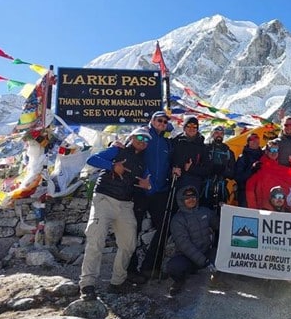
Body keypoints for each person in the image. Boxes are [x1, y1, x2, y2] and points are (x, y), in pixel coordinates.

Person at [79, 128, 152, 300]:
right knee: (96, 240)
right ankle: (87, 285)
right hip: (104, 199)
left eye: (146, 139)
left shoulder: (143, 162)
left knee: (129, 244)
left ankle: (117, 282)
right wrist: (112, 166)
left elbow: (148, 183)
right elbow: (92, 159)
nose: (142, 141)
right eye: (140, 137)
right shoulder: (117, 150)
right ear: (132, 137)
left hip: (126, 203)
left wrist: (148, 186)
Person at [128, 111, 174, 282]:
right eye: (159, 120)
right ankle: (130, 269)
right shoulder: (142, 135)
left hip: (160, 191)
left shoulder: (166, 142)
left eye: (164, 121)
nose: (162, 123)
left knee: (164, 227)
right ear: (152, 121)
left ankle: (150, 268)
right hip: (140, 190)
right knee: (133, 229)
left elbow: (168, 163)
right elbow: (129, 153)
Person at [164, 185, 219, 297]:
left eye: (193, 196)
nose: (191, 199)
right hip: (187, 257)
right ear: (181, 200)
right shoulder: (177, 220)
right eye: (187, 197)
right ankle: (180, 281)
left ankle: (215, 278)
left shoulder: (205, 212)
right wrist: (204, 261)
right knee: (174, 266)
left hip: (206, 252)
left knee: (221, 256)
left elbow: (219, 225)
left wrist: (224, 210)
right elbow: (184, 245)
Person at [171, 116, 210, 196]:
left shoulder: (202, 146)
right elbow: (168, 160)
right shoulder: (175, 142)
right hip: (175, 181)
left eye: (194, 127)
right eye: (188, 126)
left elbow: (207, 169)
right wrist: (172, 169)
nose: (191, 129)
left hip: (194, 183)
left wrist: (192, 169)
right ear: (184, 128)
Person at [202, 125, 235, 210]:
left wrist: (223, 171)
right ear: (212, 134)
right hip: (205, 187)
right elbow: (199, 167)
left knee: (219, 214)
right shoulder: (205, 148)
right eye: (216, 133)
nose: (219, 135)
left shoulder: (229, 152)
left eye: (221, 133)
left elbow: (232, 173)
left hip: (221, 188)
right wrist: (210, 170)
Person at [234, 132, 263, 207]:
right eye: (252, 139)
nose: (255, 141)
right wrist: (251, 170)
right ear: (248, 142)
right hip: (245, 192)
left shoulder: (263, 155)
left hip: (261, 192)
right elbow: (238, 178)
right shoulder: (243, 157)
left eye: (257, 138)